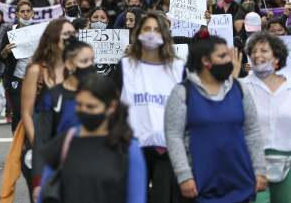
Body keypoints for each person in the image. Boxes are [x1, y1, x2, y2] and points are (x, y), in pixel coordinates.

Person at [165, 32, 267, 202]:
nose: (229, 60)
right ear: (205, 61)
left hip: (239, 183)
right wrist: (185, 176)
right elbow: (174, 136)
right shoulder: (182, 92)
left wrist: (259, 170)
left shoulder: (240, 89)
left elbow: (252, 132)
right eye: (222, 56)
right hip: (200, 185)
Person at [112, 11, 187, 202]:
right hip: (134, 148)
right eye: (147, 29)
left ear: (165, 34)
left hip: (167, 150)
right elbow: (114, 106)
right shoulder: (125, 67)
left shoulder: (178, 68)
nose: (152, 33)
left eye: (156, 29)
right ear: (138, 33)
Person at [37, 75, 147, 203]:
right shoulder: (65, 142)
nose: (83, 111)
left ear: (111, 107)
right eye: (79, 104)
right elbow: (43, 195)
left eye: (91, 106)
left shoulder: (128, 148)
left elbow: (136, 198)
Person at [4, 19, 73, 201]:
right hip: (41, 148)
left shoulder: (74, 69)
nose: (70, 38)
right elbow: (26, 114)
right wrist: (39, 147)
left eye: (72, 34)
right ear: (52, 38)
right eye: (65, 34)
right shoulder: (36, 70)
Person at [31, 38, 96, 197]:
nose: (91, 66)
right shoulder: (53, 97)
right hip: (63, 175)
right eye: (84, 61)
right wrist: (38, 182)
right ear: (69, 64)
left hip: (96, 173)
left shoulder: (100, 94)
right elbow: (41, 142)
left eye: (93, 60)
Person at [241, 31, 291, 203]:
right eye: (253, 51)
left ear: (276, 57)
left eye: (263, 50)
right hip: (252, 164)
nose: (257, 55)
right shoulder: (241, 87)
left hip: (288, 163)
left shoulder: (290, 86)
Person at [0, 0, 35, 132]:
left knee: (33, 113)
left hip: (35, 80)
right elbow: (2, 58)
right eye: (22, 12)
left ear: (32, 13)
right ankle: (17, 147)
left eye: (28, 11)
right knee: (18, 113)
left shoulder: (39, 32)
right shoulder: (10, 33)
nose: (25, 14)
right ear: (17, 15)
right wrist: (5, 51)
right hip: (16, 79)